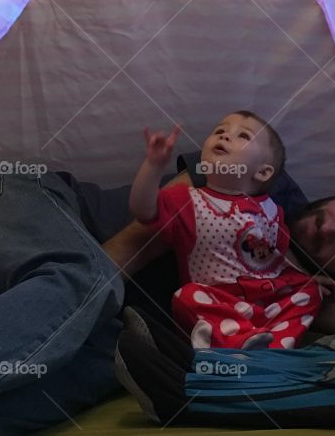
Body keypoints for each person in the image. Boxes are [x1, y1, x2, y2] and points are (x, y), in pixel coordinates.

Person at [0, 144, 335, 436]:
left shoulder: (295, 288)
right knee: (90, 286)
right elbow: (133, 244)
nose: (327, 228)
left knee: (100, 368)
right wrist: (78, 315)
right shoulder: (260, 179)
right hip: (20, 210)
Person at [130, 113, 323, 351]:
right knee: (187, 297)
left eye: (243, 135)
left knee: (311, 291)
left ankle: (275, 348)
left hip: (268, 298)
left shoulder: (272, 210)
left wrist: (308, 277)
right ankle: (240, 343)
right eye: (219, 130)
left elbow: (281, 255)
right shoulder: (186, 200)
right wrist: (153, 166)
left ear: (263, 172)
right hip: (220, 302)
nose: (225, 135)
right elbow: (143, 211)